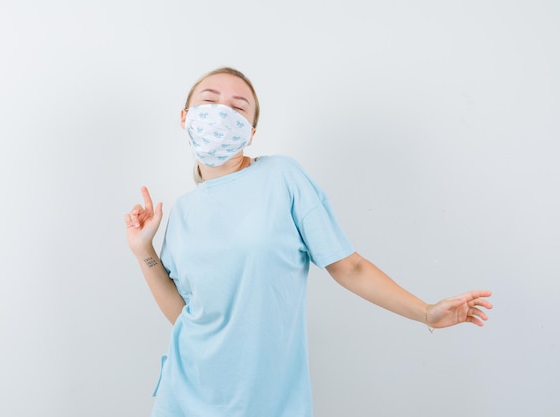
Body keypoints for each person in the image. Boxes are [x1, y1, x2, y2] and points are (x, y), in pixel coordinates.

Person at [124, 67, 493, 417]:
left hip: (266, 398)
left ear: (250, 132)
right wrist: (144, 250)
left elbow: (349, 266)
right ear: (185, 117)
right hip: (186, 392)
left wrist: (426, 312)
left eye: (237, 107)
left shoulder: (282, 177)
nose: (221, 111)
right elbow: (184, 314)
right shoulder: (184, 210)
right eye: (209, 100)